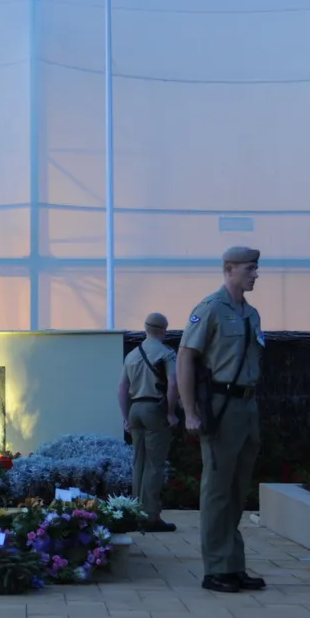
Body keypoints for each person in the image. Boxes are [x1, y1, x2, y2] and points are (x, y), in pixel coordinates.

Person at [178, 246, 266, 593]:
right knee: (217, 489)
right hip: (221, 405)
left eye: (256, 268)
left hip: (247, 405)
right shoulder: (211, 309)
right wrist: (189, 411)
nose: (255, 274)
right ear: (229, 269)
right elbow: (186, 356)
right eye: (249, 268)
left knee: (237, 489)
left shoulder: (251, 313)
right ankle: (216, 568)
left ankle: (233, 564)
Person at [118, 312, 179, 532]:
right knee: (154, 464)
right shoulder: (166, 354)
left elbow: (122, 388)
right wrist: (171, 413)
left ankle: (135, 511)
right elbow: (173, 385)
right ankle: (151, 516)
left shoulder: (132, 355)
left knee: (139, 462)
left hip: (135, 408)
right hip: (155, 408)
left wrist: (126, 417)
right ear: (163, 330)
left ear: (145, 328)